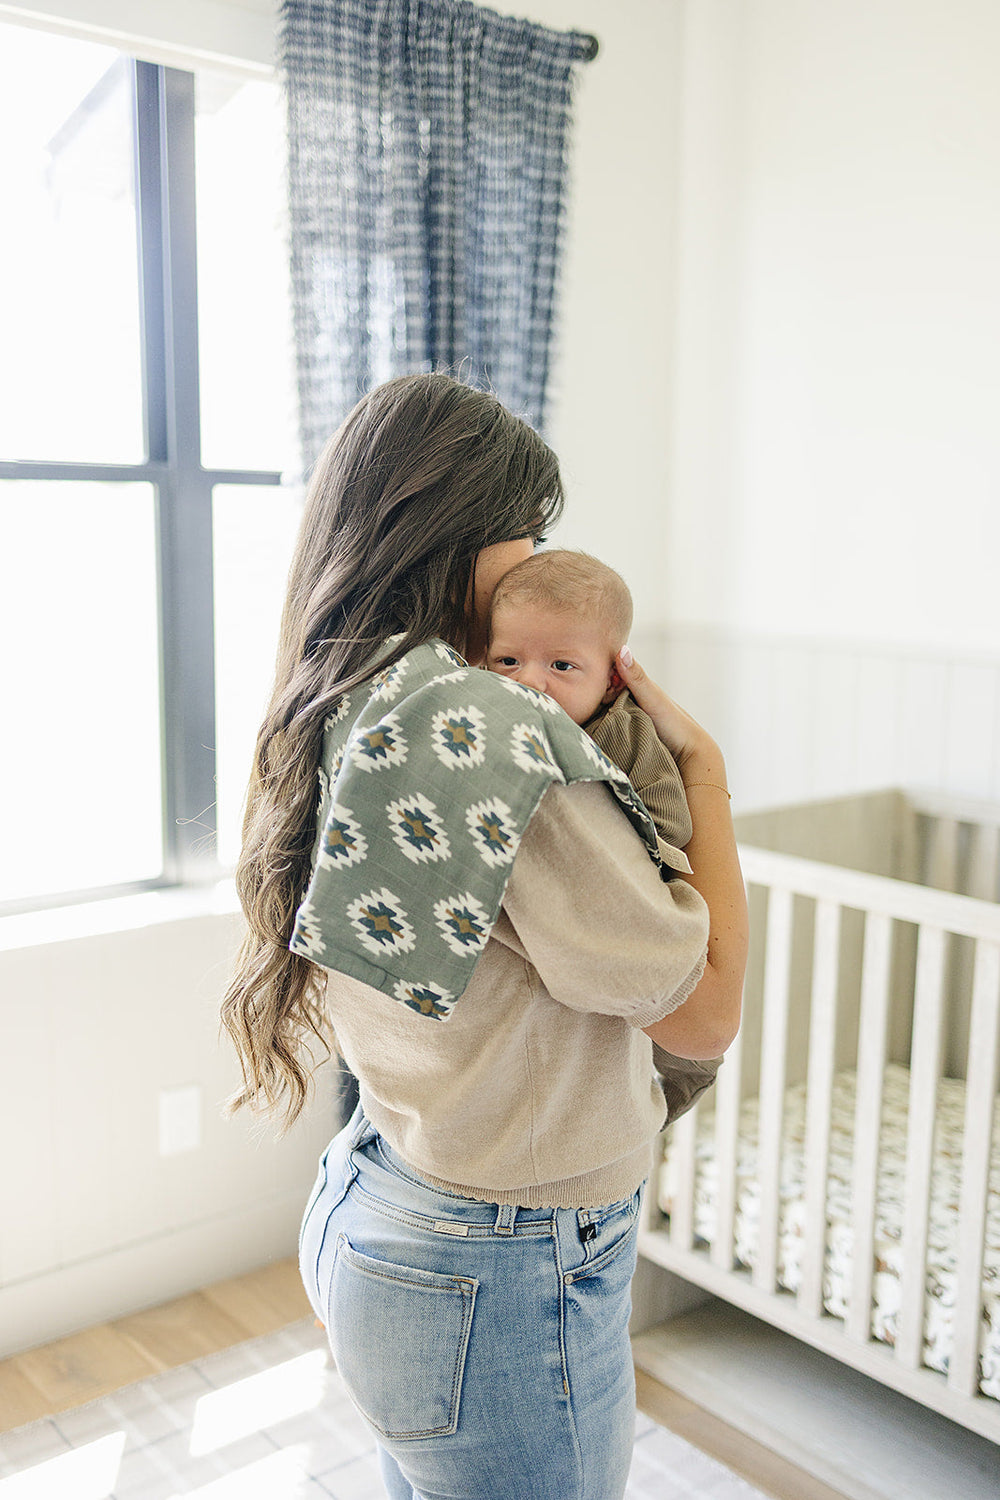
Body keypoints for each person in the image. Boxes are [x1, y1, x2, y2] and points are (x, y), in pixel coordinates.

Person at [221, 372, 748, 1500]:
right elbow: (705, 1015)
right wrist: (704, 774)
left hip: (379, 1192)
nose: (534, 562)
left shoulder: (352, 688)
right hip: (498, 1260)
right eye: (526, 534)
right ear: (463, 531)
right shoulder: (494, 733)